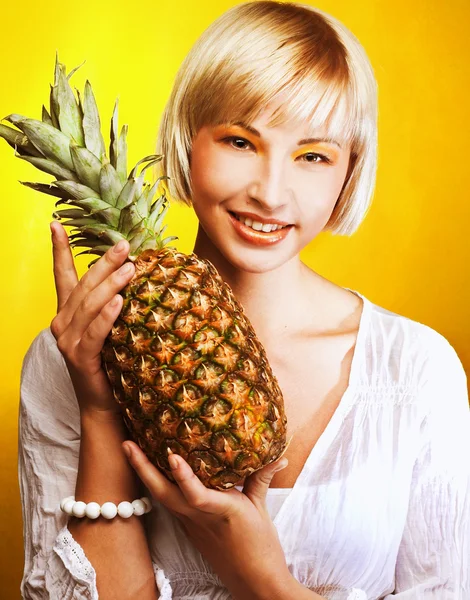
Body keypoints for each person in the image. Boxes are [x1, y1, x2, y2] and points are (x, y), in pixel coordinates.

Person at [18, 1, 470, 599]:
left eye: (313, 155)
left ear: (349, 171)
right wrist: (100, 411)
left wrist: (258, 576)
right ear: (186, 140)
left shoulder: (415, 369)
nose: (271, 193)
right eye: (239, 141)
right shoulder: (69, 359)